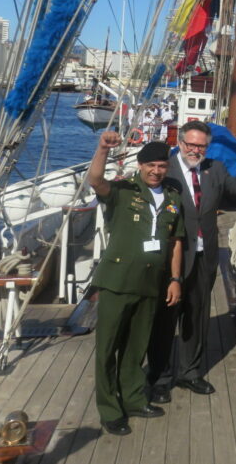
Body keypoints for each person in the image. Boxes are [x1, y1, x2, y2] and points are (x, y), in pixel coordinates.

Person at [147, 121, 236, 403]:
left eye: (200, 146)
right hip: (173, 257)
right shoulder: (166, 170)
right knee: (165, 319)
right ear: (181, 142)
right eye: (190, 144)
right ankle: (160, 378)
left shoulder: (215, 169)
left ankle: (189, 372)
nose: (195, 150)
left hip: (205, 255)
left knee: (197, 317)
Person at [88, 134, 184, 436]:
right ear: (140, 165)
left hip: (151, 283)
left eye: (162, 166)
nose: (157, 171)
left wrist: (175, 279)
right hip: (118, 281)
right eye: (151, 165)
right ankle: (109, 409)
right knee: (108, 347)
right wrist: (103, 149)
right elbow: (95, 180)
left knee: (135, 346)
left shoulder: (172, 197)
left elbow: (175, 243)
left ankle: (132, 398)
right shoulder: (122, 191)